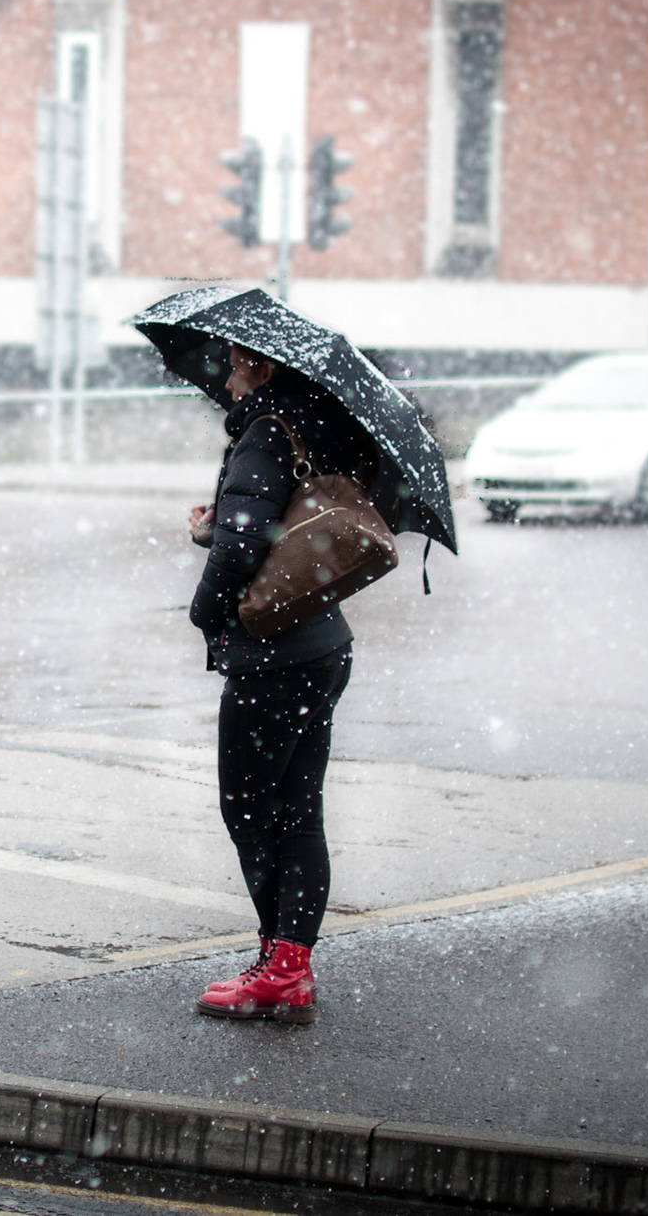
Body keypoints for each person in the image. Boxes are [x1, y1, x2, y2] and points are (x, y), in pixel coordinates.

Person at [185, 342, 372, 1025]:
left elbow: (245, 543)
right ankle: (289, 962)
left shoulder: (264, 435)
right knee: (297, 810)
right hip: (321, 643)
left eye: (236, 366)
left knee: (250, 811)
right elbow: (280, 534)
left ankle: (278, 967)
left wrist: (205, 610)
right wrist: (221, 528)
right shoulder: (313, 429)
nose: (227, 379)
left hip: (273, 656)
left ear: (262, 367)